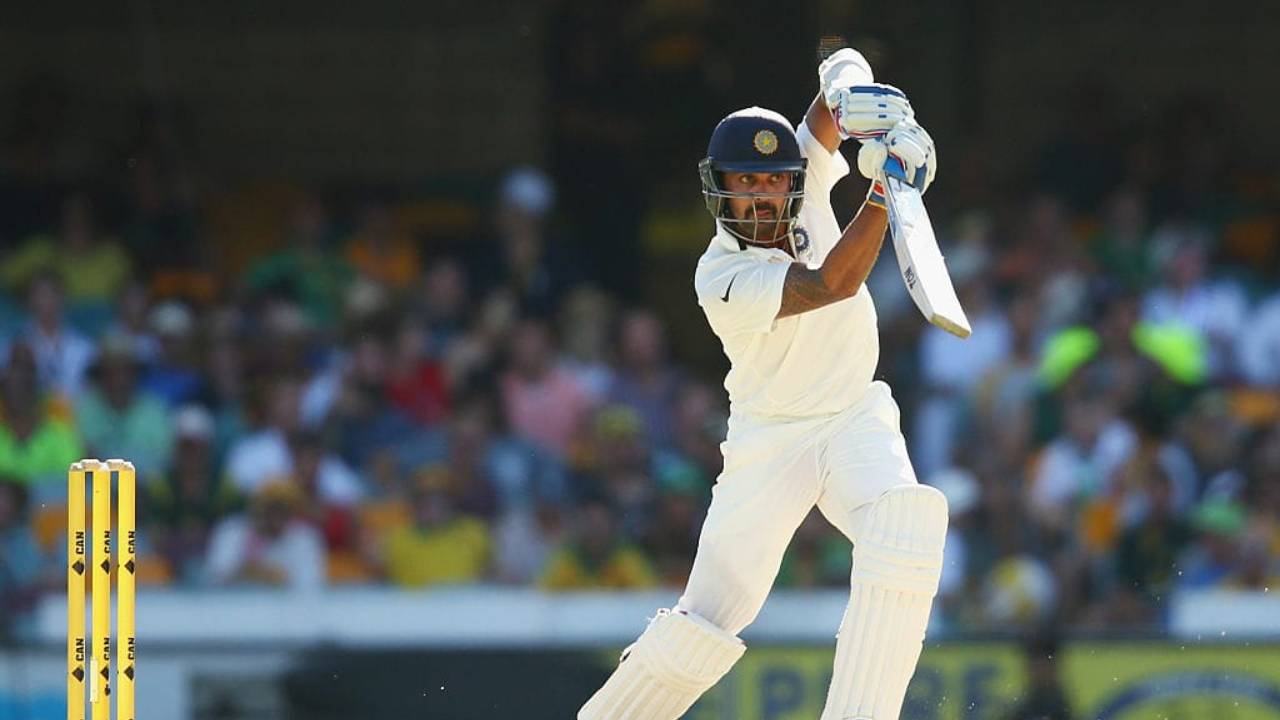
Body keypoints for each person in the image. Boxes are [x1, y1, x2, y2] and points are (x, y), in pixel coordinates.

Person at [579, 48, 947, 720]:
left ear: (790, 182)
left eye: (771, 181)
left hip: (852, 417)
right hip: (769, 442)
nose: (759, 193)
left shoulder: (801, 183)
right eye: (742, 181)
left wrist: (844, 89)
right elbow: (832, 283)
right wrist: (885, 186)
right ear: (719, 187)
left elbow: (822, 123)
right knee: (707, 620)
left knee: (908, 527)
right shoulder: (719, 276)